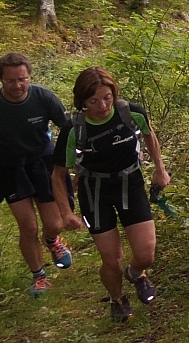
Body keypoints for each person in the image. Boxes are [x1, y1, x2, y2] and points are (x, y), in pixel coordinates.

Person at [53, 66, 169, 323]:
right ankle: (117, 298)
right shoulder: (74, 128)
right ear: (82, 101)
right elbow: (57, 174)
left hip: (131, 183)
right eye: (94, 101)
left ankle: (137, 273)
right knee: (111, 259)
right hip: (94, 192)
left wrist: (160, 170)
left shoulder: (131, 113)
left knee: (146, 253)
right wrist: (65, 212)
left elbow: (150, 137)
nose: (103, 106)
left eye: (108, 98)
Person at [0, 52, 81, 297]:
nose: (17, 85)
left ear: (30, 77)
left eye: (22, 79)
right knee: (28, 226)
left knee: (54, 223)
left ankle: (52, 241)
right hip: (7, 166)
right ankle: (39, 276)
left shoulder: (44, 97)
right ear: (1, 80)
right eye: (11, 81)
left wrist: (72, 166)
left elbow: (68, 131)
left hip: (42, 161)